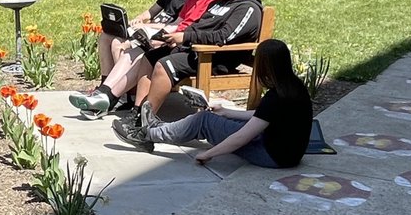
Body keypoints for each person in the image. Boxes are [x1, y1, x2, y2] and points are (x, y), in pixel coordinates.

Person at [112, 38, 313, 167]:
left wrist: (210, 154)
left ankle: (147, 135)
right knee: (215, 118)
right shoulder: (295, 88)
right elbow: (263, 117)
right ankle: (159, 127)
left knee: (204, 121)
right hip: (289, 155)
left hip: (271, 156)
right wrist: (227, 112)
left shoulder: (275, 98)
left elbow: (242, 137)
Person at [69, 0, 220, 118]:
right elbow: (179, 21)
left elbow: (196, 29)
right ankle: (104, 94)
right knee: (129, 52)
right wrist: (149, 28)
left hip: (183, 43)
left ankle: (109, 100)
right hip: (169, 35)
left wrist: (157, 30)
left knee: (140, 55)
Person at [128, 0, 263, 118]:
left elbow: (223, 37)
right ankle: (137, 112)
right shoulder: (220, 3)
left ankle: (144, 122)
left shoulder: (248, 8)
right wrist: (176, 37)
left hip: (215, 59)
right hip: (195, 50)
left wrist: (186, 36)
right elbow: (200, 24)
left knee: (164, 65)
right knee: (150, 57)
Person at [98, 0, 193, 79]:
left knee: (117, 44)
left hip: (159, 34)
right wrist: (137, 20)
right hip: (148, 29)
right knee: (106, 36)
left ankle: (123, 90)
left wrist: (145, 25)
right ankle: (105, 83)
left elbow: (174, 25)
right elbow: (151, 12)